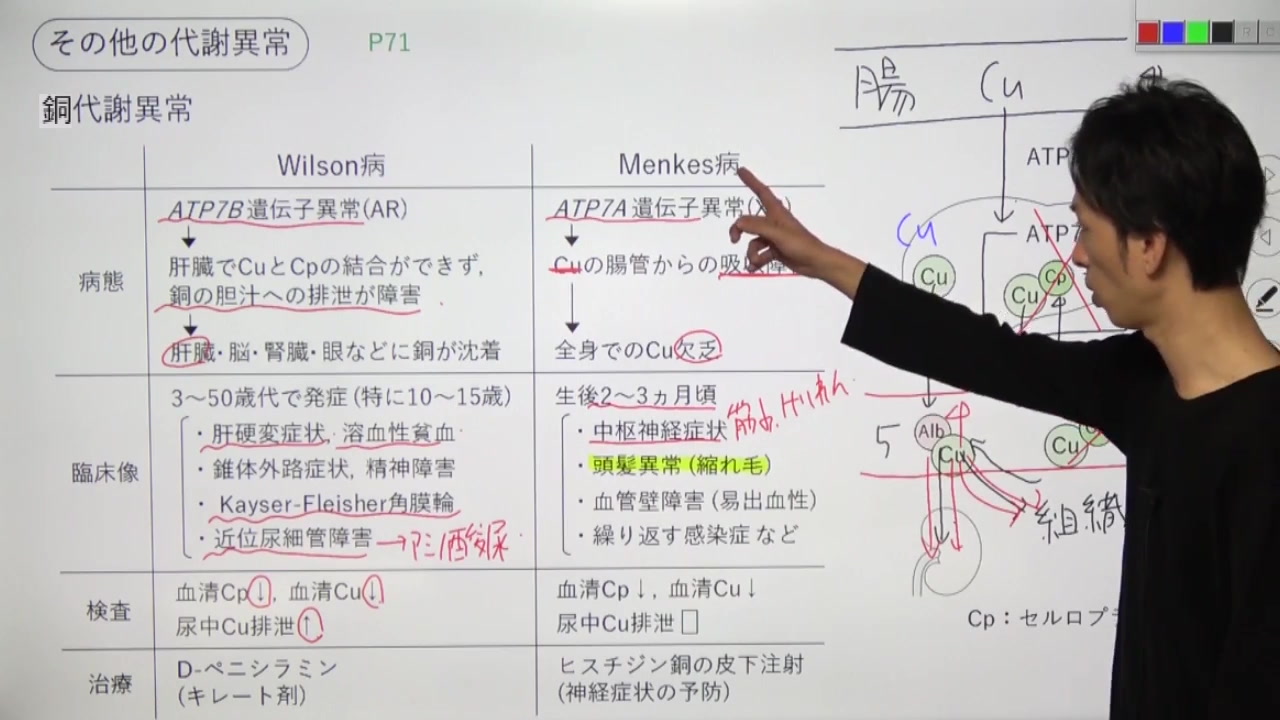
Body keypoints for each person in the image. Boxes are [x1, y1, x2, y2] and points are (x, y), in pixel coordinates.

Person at [729, 75, 1279, 718]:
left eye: (1085, 229)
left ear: (1150, 245)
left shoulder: (1266, 443)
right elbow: (991, 354)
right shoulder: (1149, 381)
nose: (1076, 255)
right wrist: (824, 262)